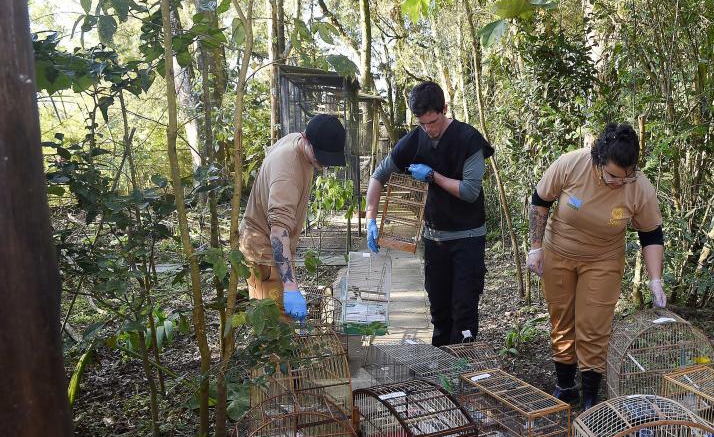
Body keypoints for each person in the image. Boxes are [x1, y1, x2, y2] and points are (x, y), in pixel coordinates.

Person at [526, 122, 667, 409]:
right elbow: (540, 201)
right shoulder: (571, 164)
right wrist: (535, 248)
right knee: (561, 320)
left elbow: (651, 233)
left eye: (626, 177)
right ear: (598, 160)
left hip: (604, 259)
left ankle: (590, 396)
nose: (619, 183)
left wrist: (656, 280)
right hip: (559, 251)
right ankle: (565, 386)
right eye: (612, 176)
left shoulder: (640, 187)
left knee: (594, 326)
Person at [365, 81, 495, 346]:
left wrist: (433, 176)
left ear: (444, 109)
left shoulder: (469, 140)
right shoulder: (414, 140)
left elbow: (470, 191)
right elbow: (378, 176)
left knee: (463, 310)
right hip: (435, 239)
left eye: (433, 122)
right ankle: (440, 363)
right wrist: (370, 220)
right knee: (439, 309)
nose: (429, 130)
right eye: (422, 124)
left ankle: (463, 365)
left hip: (468, 237)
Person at [239, 114, 347, 321]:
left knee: (282, 322)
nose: (322, 163)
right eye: (319, 155)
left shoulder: (297, 142)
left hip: (270, 250)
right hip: (264, 253)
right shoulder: (287, 172)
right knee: (275, 324)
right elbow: (278, 233)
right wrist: (290, 287)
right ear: (305, 138)